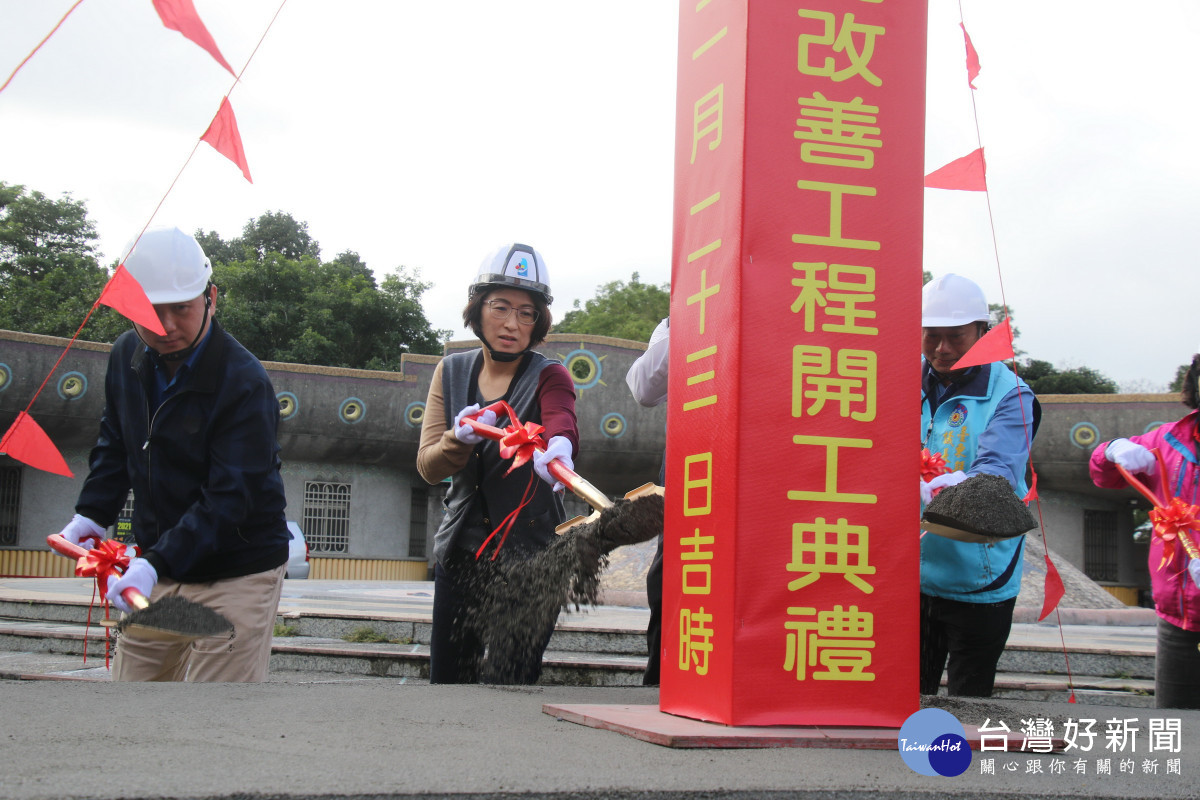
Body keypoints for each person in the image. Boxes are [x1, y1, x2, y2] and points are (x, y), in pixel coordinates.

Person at [55, 226, 290, 682]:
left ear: (211, 298)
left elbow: (229, 496)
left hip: (235, 569)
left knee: (213, 713)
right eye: (149, 311)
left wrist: (152, 563)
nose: (165, 327)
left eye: (180, 309)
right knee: (134, 691)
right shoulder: (127, 354)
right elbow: (115, 441)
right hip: (158, 565)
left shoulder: (244, 381)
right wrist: (89, 514)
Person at [416, 242, 579, 684]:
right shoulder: (450, 372)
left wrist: (560, 445)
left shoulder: (550, 374)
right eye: (501, 307)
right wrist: (458, 439)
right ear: (477, 310)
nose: (512, 323)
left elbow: (561, 417)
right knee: (449, 679)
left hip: (532, 558)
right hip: (461, 552)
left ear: (539, 322)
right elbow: (429, 465)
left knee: (512, 680)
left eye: (527, 313)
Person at [918, 273, 1040, 697]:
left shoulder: (1011, 397)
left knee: (969, 701)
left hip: (978, 577)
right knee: (905, 696)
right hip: (908, 574)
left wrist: (948, 488)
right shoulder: (893, 381)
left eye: (955, 337)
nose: (942, 349)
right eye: (931, 337)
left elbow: (998, 474)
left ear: (983, 333)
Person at [1089, 353, 1200, 708]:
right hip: (1178, 621)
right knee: (1175, 733)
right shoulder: (1168, 441)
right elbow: (1102, 475)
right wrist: (1112, 450)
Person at [625, 316, 668, 685]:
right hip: (696, 455)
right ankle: (661, 679)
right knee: (673, 568)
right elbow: (643, 389)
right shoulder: (673, 324)